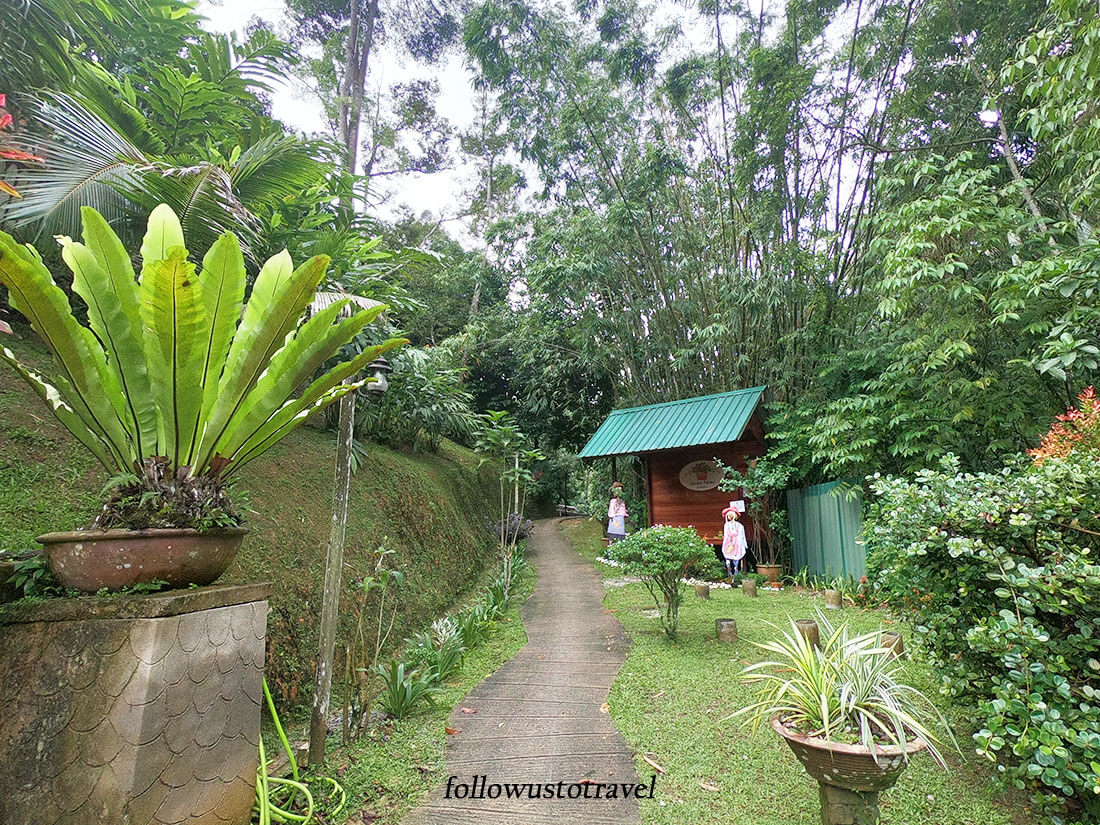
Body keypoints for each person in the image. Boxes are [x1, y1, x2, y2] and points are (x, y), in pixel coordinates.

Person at [721, 500, 747, 577]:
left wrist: (743, 544)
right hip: (728, 543)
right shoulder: (726, 525)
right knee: (728, 559)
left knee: (736, 559)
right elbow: (726, 535)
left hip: (737, 543)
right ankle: (729, 573)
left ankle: (736, 574)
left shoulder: (739, 526)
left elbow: (742, 535)